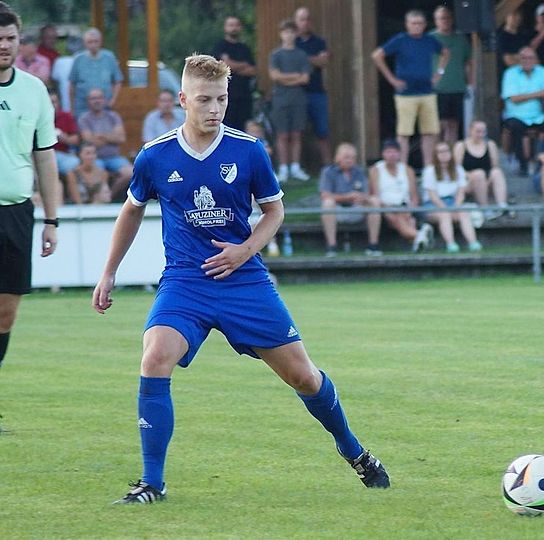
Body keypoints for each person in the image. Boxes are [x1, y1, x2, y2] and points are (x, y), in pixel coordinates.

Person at [91, 54, 390, 504]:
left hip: (244, 281)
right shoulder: (155, 156)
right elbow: (131, 210)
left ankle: (355, 451)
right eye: (205, 100)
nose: (215, 108)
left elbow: (274, 211)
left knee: (304, 378)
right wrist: (108, 272)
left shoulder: (248, 150)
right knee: (154, 356)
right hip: (185, 283)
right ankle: (151, 483)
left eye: (222, 99)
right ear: (182, 100)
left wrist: (243, 250)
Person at [0, 3, 60, 429]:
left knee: (6, 313)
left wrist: (52, 220)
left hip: (18, 214)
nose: (3, 46)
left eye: (9, 39)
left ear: (19, 42)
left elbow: (46, 159)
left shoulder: (34, 91)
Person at [371, 9, 449, 167]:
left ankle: (428, 167)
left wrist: (439, 73)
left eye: (420, 23)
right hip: (405, 94)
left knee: (429, 132)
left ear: (425, 25)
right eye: (413, 23)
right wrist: (391, 79)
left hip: (427, 91)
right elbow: (377, 55)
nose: (417, 26)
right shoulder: (400, 40)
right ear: (407, 25)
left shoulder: (429, 40)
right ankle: (403, 168)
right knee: (404, 133)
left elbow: (445, 52)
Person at [319, 143, 383, 257]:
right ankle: (332, 247)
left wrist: (361, 197)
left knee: (374, 201)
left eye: (353, 157)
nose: (350, 160)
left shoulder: (359, 171)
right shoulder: (328, 172)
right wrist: (347, 196)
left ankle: (373, 245)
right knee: (327, 203)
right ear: (337, 158)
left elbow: (366, 193)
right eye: (347, 157)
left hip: (357, 207)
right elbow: (325, 195)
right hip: (338, 209)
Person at [368, 139, 431, 252]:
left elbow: (414, 196)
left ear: (399, 154)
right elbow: (375, 194)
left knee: (409, 220)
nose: (391, 155)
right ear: (383, 154)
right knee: (395, 218)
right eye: (388, 152)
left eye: (394, 152)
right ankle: (419, 235)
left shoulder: (407, 170)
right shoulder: (376, 170)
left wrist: (410, 210)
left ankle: (417, 241)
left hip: (404, 206)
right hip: (385, 208)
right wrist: (389, 209)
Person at [269, 20, 312, 183]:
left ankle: (295, 167)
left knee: (296, 133)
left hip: (298, 99)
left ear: (296, 34)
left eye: (291, 32)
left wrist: (285, 78)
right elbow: (275, 76)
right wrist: (295, 76)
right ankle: (283, 168)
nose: (288, 35)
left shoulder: (301, 55)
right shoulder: (276, 54)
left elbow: (306, 78)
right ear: (281, 34)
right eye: (285, 32)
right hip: (280, 98)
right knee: (282, 134)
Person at [500, 46, 544, 176]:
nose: (527, 61)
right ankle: (522, 165)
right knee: (516, 127)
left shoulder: (543, 72)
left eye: (530, 58)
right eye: (523, 58)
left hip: (538, 115)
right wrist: (537, 94)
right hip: (515, 115)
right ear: (519, 59)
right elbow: (514, 99)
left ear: (536, 60)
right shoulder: (510, 73)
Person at [421, 142, 481, 253]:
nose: (444, 154)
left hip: (452, 202)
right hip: (433, 205)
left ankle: (473, 243)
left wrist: (456, 206)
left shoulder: (458, 169)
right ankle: (451, 244)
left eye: (446, 151)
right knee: (445, 215)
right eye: (441, 152)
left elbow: (461, 192)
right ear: (435, 155)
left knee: (463, 213)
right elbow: (432, 195)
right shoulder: (430, 171)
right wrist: (446, 208)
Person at [77, 88, 133, 200]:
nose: (96, 101)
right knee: (97, 174)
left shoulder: (113, 117)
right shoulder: (84, 119)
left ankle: (110, 195)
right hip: (94, 158)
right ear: (88, 101)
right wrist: (111, 136)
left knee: (131, 173)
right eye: (93, 98)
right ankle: (98, 199)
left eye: (99, 98)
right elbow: (88, 140)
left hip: (114, 158)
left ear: (104, 100)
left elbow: (121, 138)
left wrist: (100, 136)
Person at [431, 5, 473, 148]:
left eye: (447, 18)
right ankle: (437, 160)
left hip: (457, 87)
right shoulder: (430, 39)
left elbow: (469, 62)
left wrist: (470, 83)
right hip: (438, 89)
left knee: (453, 125)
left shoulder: (461, 39)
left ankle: (452, 160)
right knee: (438, 126)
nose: (445, 21)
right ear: (436, 20)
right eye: (441, 18)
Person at [294, 6, 331, 166]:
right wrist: (313, 59)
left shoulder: (319, 42)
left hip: (317, 92)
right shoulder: (291, 42)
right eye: (302, 19)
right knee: (297, 133)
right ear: (296, 22)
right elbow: (289, 65)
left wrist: (301, 58)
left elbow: (324, 62)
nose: (305, 22)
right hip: (296, 93)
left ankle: (328, 166)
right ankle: (298, 169)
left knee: (322, 131)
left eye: (308, 19)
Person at [453, 120, 509, 220]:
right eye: (478, 131)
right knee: (479, 174)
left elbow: (495, 166)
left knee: (497, 172)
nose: (481, 134)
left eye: (483, 132)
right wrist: (471, 176)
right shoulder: (461, 146)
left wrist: (487, 180)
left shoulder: (490, 144)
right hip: (468, 181)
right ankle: (485, 209)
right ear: (470, 131)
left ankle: (502, 205)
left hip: (486, 180)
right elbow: (457, 169)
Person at [211, 16, 257, 130]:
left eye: (236, 25)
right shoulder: (220, 46)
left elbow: (252, 71)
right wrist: (243, 65)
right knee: (225, 128)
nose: (234, 28)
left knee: (243, 129)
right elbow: (222, 66)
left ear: (240, 27)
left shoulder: (245, 48)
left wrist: (232, 65)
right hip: (225, 96)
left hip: (244, 97)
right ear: (225, 28)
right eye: (231, 25)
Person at [68, 28, 123, 116]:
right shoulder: (78, 59)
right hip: (82, 107)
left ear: (100, 42)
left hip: (104, 106)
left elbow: (118, 81)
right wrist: (71, 108)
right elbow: (72, 85)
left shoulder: (109, 57)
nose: (93, 45)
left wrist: (113, 100)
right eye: (90, 42)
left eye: (96, 41)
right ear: (85, 43)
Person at [49, 88, 80, 181]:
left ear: (59, 103)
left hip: (63, 154)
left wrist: (63, 138)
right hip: (43, 155)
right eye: (49, 102)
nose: (52, 105)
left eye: (54, 102)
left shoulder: (66, 116)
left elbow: (76, 140)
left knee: (76, 163)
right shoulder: (37, 117)